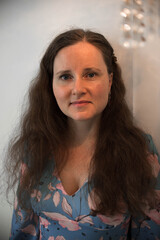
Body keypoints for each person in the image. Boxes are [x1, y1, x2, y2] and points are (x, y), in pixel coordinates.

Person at [6, 28, 160, 240]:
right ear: (51, 86)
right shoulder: (35, 148)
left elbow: (150, 234)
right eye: (65, 76)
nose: (77, 88)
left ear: (110, 80)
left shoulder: (139, 149)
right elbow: (22, 232)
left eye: (90, 74)